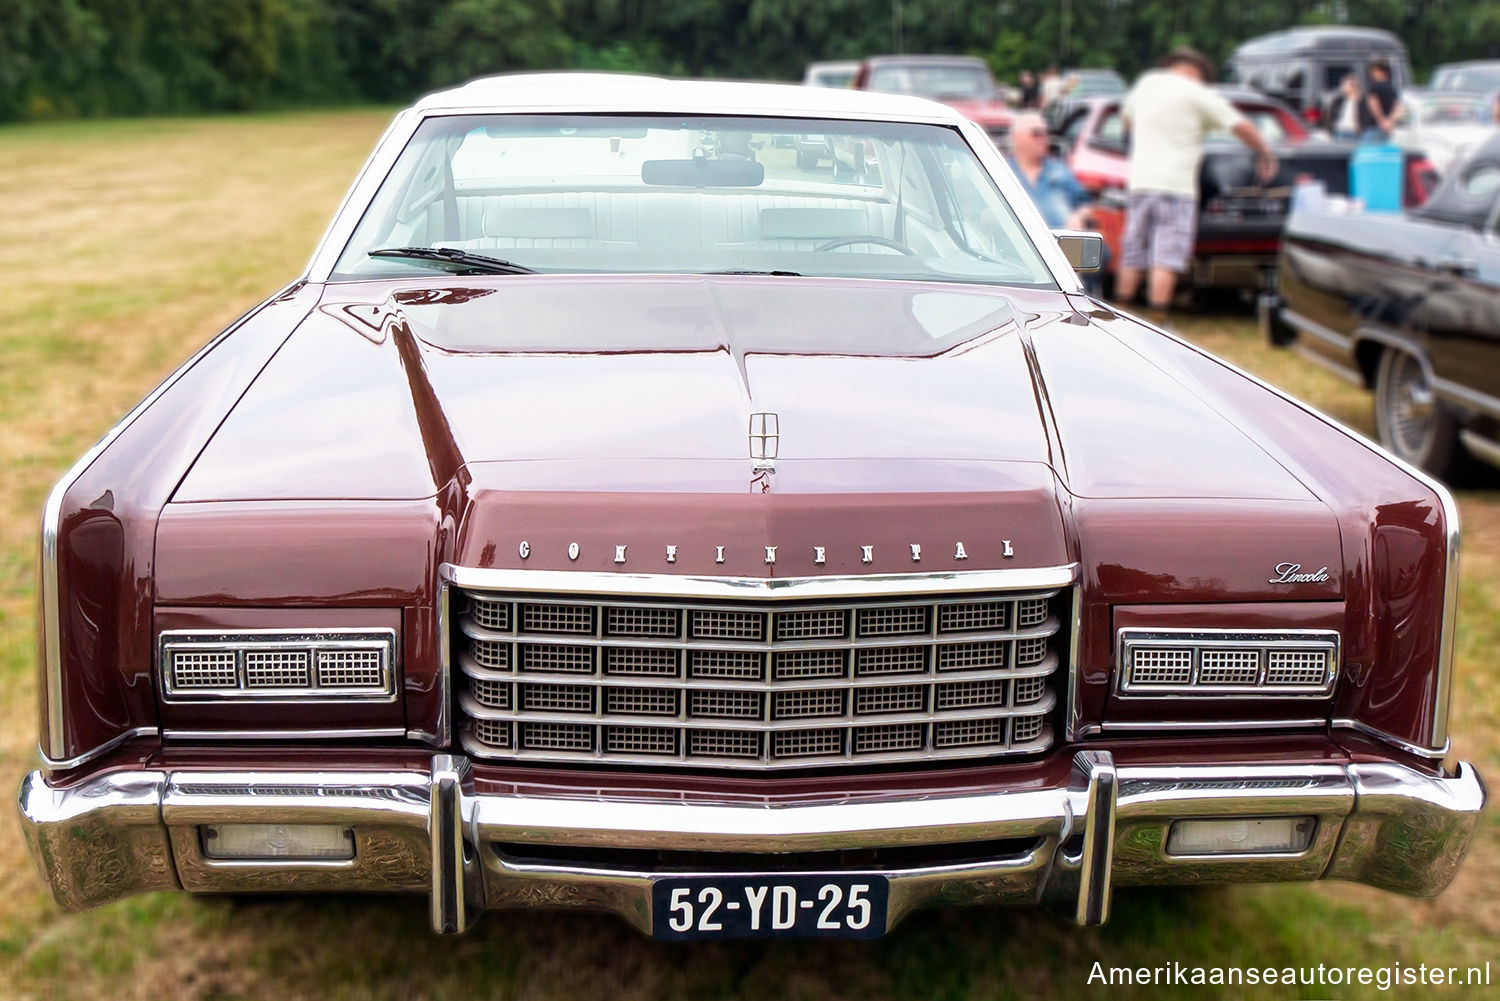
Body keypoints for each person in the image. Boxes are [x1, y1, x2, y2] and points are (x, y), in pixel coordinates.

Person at [1115, 46, 1278, 316]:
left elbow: (1127, 121)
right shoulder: (1196, 92)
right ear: (1195, 71)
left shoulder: (1146, 84)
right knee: (1165, 257)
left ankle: (1121, 312)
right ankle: (1158, 316)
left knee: (1133, 251)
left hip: (1141, 183)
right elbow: (1242, 126)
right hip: (1176, 186)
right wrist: (1264, 151)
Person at [1363, 59, 1402, 142]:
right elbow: (1398, 107)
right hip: (1388, 128)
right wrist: (1390, 121)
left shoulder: (1374, 87)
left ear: (1381, 72)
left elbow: (1373, 104)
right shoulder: (1392, 88)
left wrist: (1382, 121)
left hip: (1375, 126)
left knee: (1368, 152)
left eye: (1374, 71)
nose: (1371, 73)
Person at [1329, 74, 1370, 141]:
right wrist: (1331, 127)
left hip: (1355, 131)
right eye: (1343, 85)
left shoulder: (1363, 101)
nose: (1343, 87)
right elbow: (1331, 115)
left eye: (1346, 85)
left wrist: (1362, 127)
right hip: (1340, 130)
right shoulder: (1338, 100)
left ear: (1354, 86)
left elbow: (1366, 116)